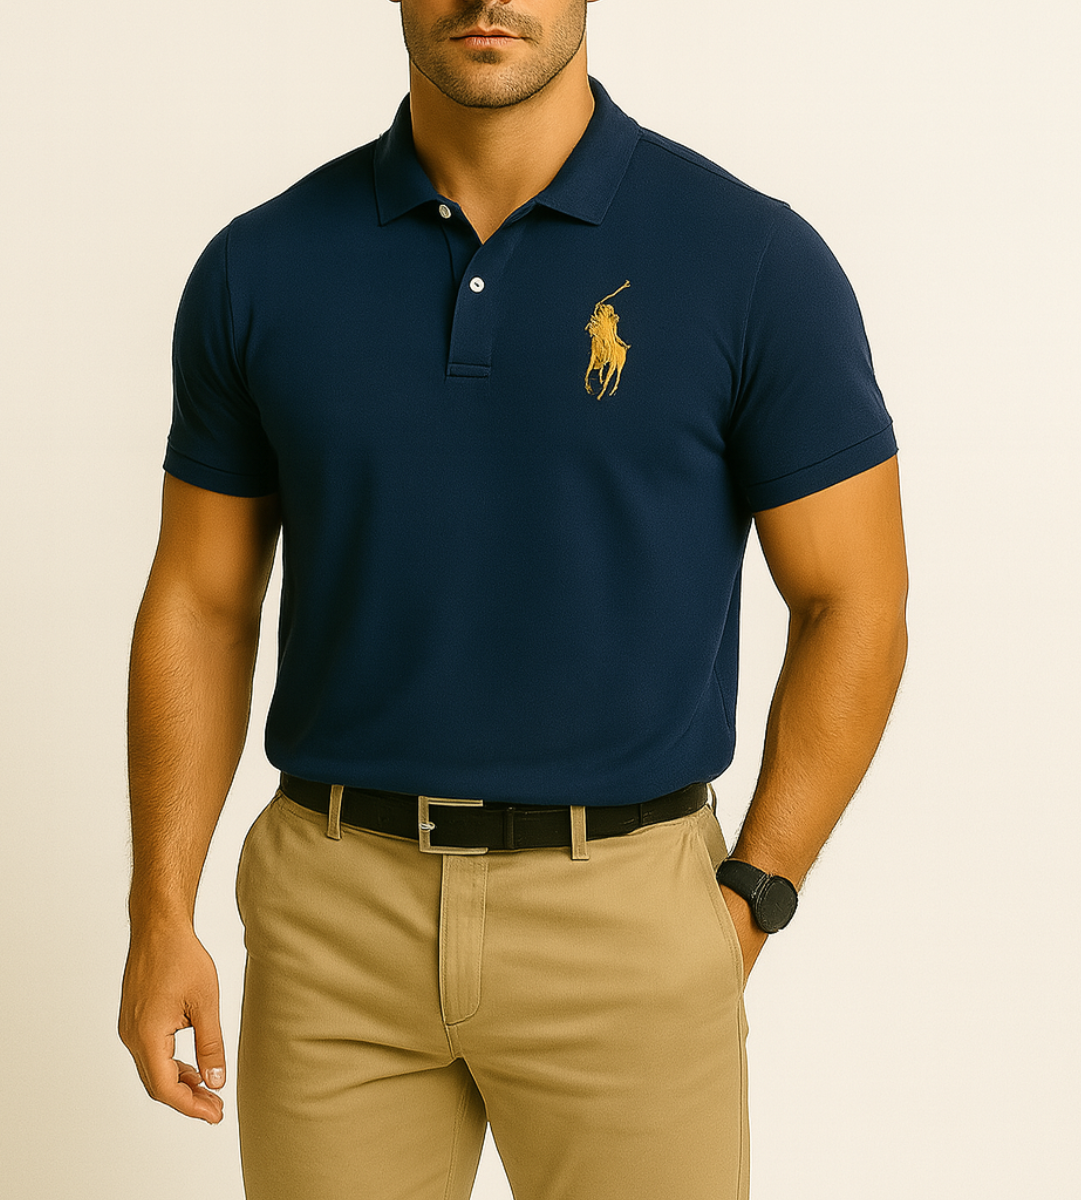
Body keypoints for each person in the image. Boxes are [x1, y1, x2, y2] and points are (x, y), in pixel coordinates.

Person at [118, 2, 909, 1197]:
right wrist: (160, 910)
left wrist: (755, 891)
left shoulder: (752, 261)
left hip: (626, 917)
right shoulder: (261, 266)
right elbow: (200, 601)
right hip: (335, 924)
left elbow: (856, 599)